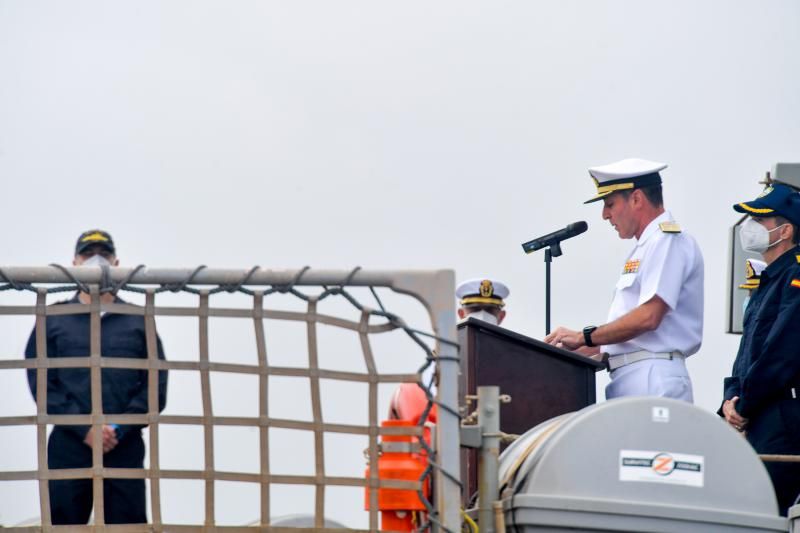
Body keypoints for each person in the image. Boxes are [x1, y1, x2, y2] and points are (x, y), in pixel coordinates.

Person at [24, 229, 168, 525]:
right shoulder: (52, 318)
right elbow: (40, 382)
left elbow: (156, 384)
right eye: (88, 255)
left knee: (127, 525)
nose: (96, 261)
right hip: (68, 443)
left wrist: (116, 428)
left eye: (103, 255)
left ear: (117, 263)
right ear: (74, 262)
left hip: (123, 444)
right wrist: (85, 427)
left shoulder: (139, 320)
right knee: (64, 523)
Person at [544, 158, 703, 402]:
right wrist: (564, 350)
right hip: (632, 376)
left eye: (610, 204)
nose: (605, 215)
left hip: (653, 376)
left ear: (637, 199)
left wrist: (583, 336)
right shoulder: (645, 247)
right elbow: (625, 336)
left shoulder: (667, 241)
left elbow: (649, 317)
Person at [720, 184, 800, 515]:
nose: (750, 226)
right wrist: (730, 398)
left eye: (759, 219)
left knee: (762, 513)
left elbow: (783, 351)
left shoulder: (795, 275)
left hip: (782, 414)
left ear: (786, 230)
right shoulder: (769, 281)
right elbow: (747, 353)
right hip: (759, 412)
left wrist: (745, 402)